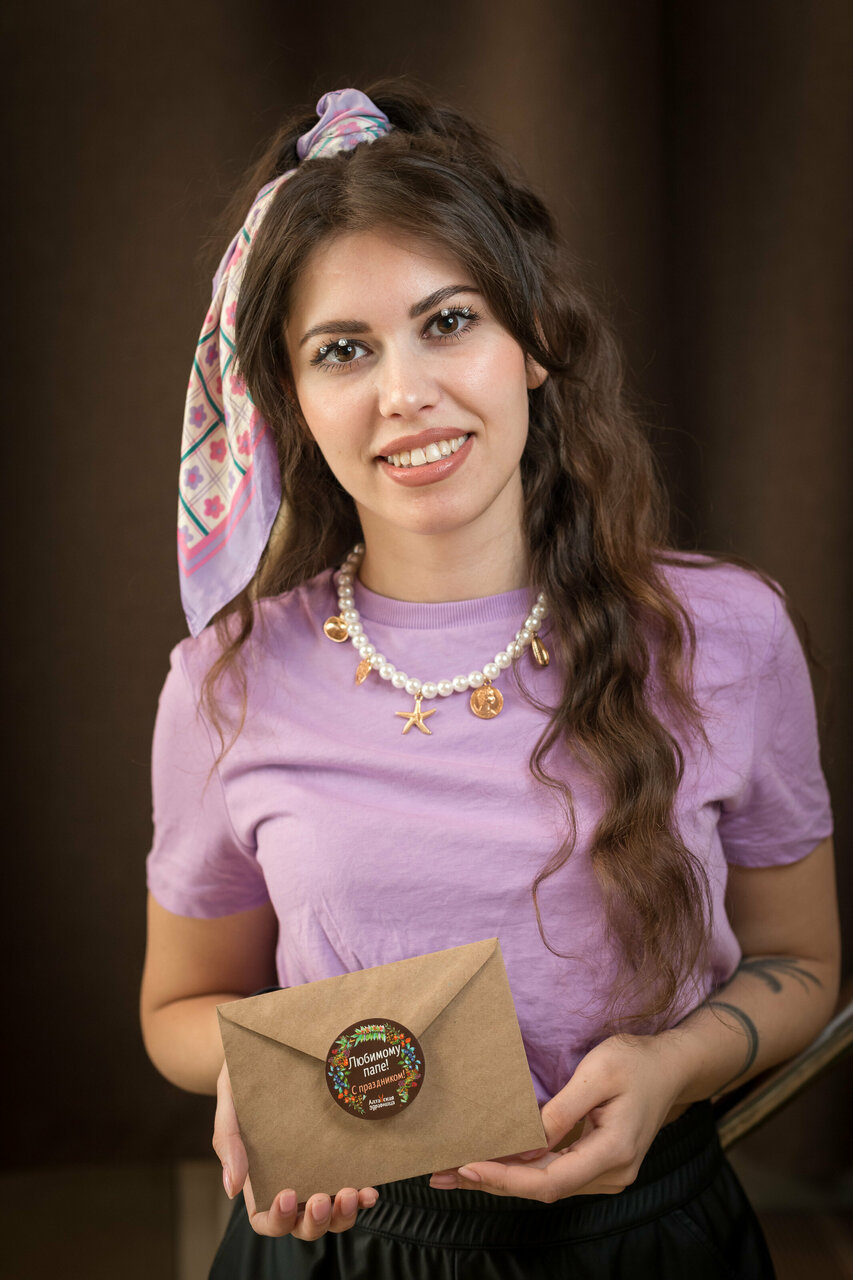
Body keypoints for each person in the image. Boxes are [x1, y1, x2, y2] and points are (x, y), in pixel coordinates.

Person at [140, 82, 840, 1279]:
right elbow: (178, 1011)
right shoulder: (227, 678)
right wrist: (274, 1073)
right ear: (290, 402)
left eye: (448, 321)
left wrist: (673, 1064)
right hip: (348, 1249)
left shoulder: (727, 632)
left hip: (652, 1240)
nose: (403, 391)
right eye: (343, 350)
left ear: (534, 341)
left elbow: (805, 965)